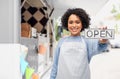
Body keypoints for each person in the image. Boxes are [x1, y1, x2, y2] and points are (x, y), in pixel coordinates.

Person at [50, 8, 108, 79]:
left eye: (77, 22)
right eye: (71, 22)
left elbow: (101, 47)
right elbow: (55, 66)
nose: (74, 25)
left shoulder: (87, 41)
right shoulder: (61, 42)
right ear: (67, 24)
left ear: (82, 24)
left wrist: (103, 40)